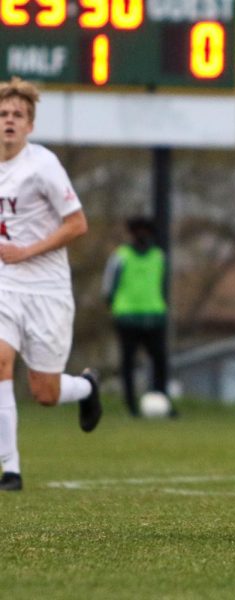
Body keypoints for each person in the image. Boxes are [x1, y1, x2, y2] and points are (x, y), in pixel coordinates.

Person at [0, 77, 102, 492]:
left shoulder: (41, 165)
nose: (9, 121)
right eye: (3, 114)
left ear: (30, 124)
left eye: (17, 115)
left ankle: (87, 387)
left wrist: (27, 251)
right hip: (5, 283)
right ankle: (11, 469)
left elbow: (77, 224)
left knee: (44, 391)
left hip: (47, 290)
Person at [102, 216, 170, 418]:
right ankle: (131, 406)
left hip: (153, 316)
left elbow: (163, 285)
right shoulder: (121, 256)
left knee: (159, 360)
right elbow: (108, 287)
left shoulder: (158, 256)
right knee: (128, 362)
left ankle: (162, 400)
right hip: (128, 317)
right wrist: (114, 307)